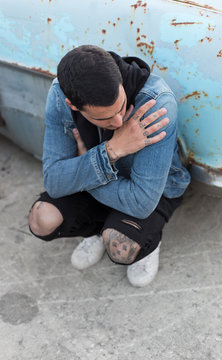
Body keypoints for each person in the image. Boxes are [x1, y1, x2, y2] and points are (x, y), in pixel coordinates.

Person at [28, 45, 190, 287]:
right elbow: (53, 181)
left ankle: (148, 243)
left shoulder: (155, 103)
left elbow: (141, 202)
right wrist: (112, 150)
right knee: (41, 219)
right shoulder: (60, 95)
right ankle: (96, 229)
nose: (118, 121)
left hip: (152, 191)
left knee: (120, 246)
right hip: (109, 180)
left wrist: (86, 165)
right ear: (74, 105)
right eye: (104, 118)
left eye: (121, 106)